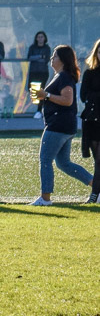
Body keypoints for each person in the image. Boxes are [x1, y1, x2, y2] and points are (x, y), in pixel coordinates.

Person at [29, 43, 89, 205]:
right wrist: (43, 95)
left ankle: (45, 198)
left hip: (58, 125)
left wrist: (46, 95)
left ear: (62, 59)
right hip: (64, 125)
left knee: (45, 160)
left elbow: (67, 100)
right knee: (64, 164)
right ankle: (96, 186)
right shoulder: (60, 76)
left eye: (54, 56)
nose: (51, 58)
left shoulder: (64, 77)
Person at [82, 40, 100, 204]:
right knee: (98, 160)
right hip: (93, 121)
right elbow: (83, 96)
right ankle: (96, 194)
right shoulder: (89, 73)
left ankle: (94, 194)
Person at [27, 31, 52, 99]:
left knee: (42, 89)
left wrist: (35, 58)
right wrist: (40, 56)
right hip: (33, 71)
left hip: (43, 72)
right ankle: (34, 103)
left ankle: (40, 105)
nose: (40, 38)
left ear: (44, 38)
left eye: (42, 37)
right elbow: (29, 58)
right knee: (33, 90)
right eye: (39, 37)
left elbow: (46, 59)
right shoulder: (32, 47)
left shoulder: (47, 48)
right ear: (36, 38)